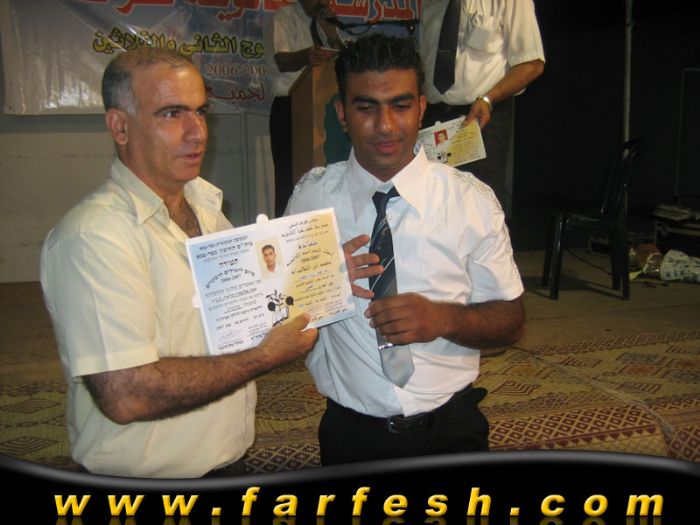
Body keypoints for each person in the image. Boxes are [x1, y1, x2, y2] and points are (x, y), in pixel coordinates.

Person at [39, 47, 318, 478]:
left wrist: (319, 273)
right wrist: (262, 358)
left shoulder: (207, 209)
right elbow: (127, 394)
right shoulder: (94, 237)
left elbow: (241, 312)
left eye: (200, 111)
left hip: (227, 463)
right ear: (120, 126)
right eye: (171, 114)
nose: (197, 133)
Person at [286, 34, 525, 465]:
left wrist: (443, 318)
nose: (385, 126)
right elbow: (277, 318)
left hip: (452, 431)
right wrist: (320, 286)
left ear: (421, 108)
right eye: (366, 108)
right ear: (342, 113)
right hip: (349, 435)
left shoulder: (470, 202)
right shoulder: (311, 200)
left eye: (400, 105)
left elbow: (511, 322)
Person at [418, 0, 545, 216]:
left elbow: (532, 64)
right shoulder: (432, 3)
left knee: (479, 205)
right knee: (435, 202)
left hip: (480, 117)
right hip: (435, 118)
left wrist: (488, 98)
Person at [263, 0, 345, 217]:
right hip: (290, 108)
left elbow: (346, 62)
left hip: (324, 109)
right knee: (289, 180)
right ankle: (286, 231)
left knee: (329, 175)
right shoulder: (284, 17)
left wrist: (332, 34)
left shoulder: (326, 22)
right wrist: (306, 56)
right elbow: (281, 60)